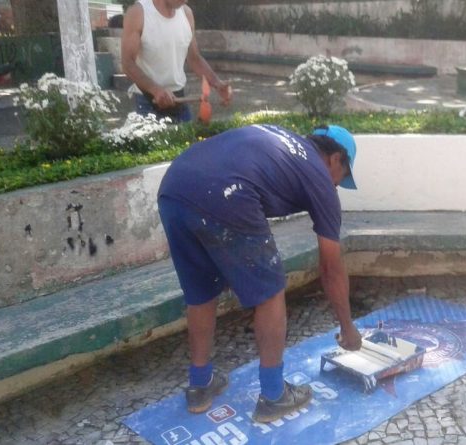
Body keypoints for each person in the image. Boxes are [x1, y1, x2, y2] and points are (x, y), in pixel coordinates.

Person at [157, 123, 363, 421]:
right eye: (341, 178)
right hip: (226, 192)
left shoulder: (283, 138)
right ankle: (274, 395)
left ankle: (200, 385)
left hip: (174, 186)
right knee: (270, 292)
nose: (335, 186)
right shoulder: (318, 176)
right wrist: (347, 327)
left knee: (201, 290)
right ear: (335, 159)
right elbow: (331, 267)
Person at [121, 0, 232, 122]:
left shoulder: (187, 14)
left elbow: (194, 58)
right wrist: (155, 89)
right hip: (147, 99)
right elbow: (127, 64)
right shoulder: (138, 13)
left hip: (179, 99)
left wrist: (217, 83)